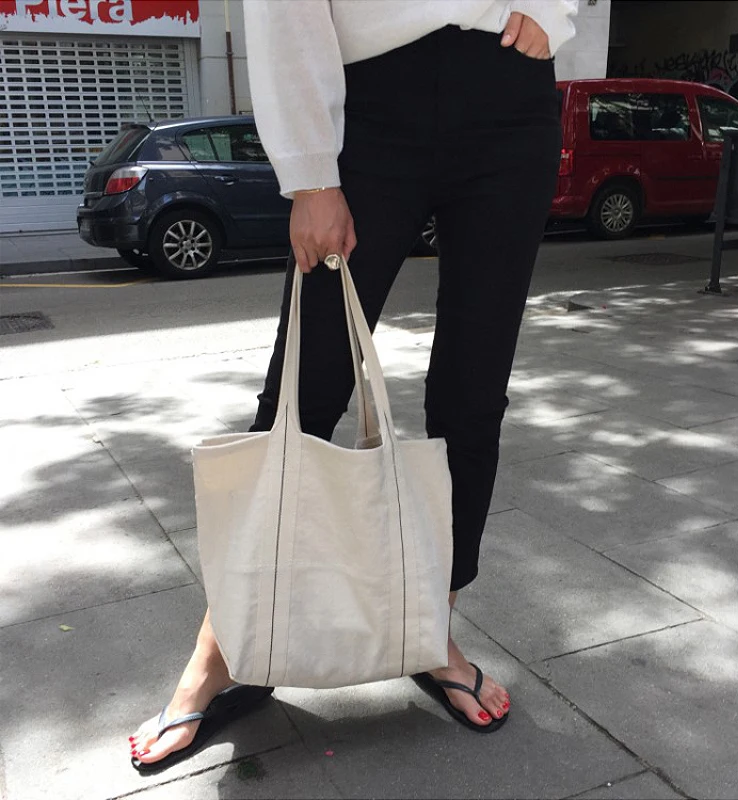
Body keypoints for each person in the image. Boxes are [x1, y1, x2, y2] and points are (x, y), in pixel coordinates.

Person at [130, 0, 578, 771]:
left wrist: (553, 9)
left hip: (511, 97)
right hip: (371, 103)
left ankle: (429, 628)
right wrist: (310, 176)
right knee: (302, 393)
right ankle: (222, 648)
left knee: (473, 399)